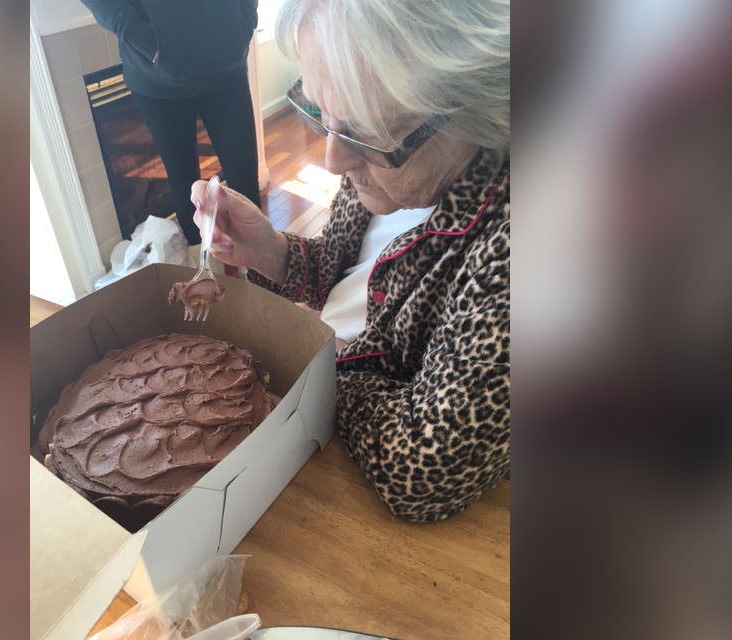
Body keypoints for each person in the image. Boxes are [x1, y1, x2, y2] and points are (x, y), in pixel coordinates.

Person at [193, 0, 511, 522]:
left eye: (361, 131)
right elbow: (347, 276)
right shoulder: (383, 168)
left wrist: (321, 360)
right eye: (321, 114)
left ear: (474, 112)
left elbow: (423, 472)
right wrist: (271, 252)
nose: (332, 159)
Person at [81, 0, 263, 247]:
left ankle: (259, 273)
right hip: (157, 83)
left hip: (227, 68)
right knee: (185, 186)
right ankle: (206, 276)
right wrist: (152, 46)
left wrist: (244, 23)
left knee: (245, 180)